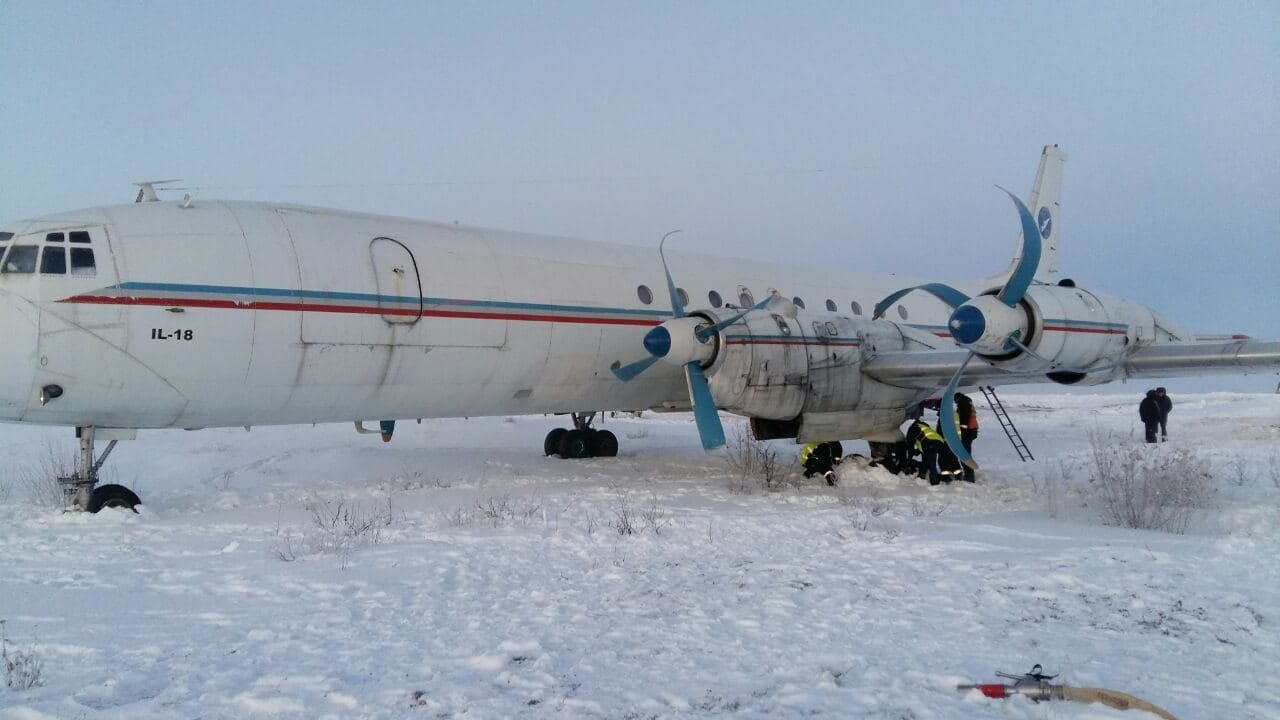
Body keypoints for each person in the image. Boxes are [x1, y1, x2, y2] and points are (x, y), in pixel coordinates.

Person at [904, 418, 946, 485]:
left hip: (932, 442)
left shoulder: (912, 430)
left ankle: (934, 481)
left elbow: (910, 446)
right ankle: (922, 475)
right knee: (926, 459)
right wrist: (917, 451)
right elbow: (922, 443)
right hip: (937, 441)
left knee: (931, 462)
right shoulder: (921, 426)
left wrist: (908, 462)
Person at [955, 392, 979, 482]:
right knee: (966, 452)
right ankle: (969, 474)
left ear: (957, 399)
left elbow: (964, 416)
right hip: (972, 430)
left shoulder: (963, 402)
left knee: (964, 454)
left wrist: (962, 429)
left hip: (968, 431)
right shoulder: (968, 401)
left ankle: (969, 476)